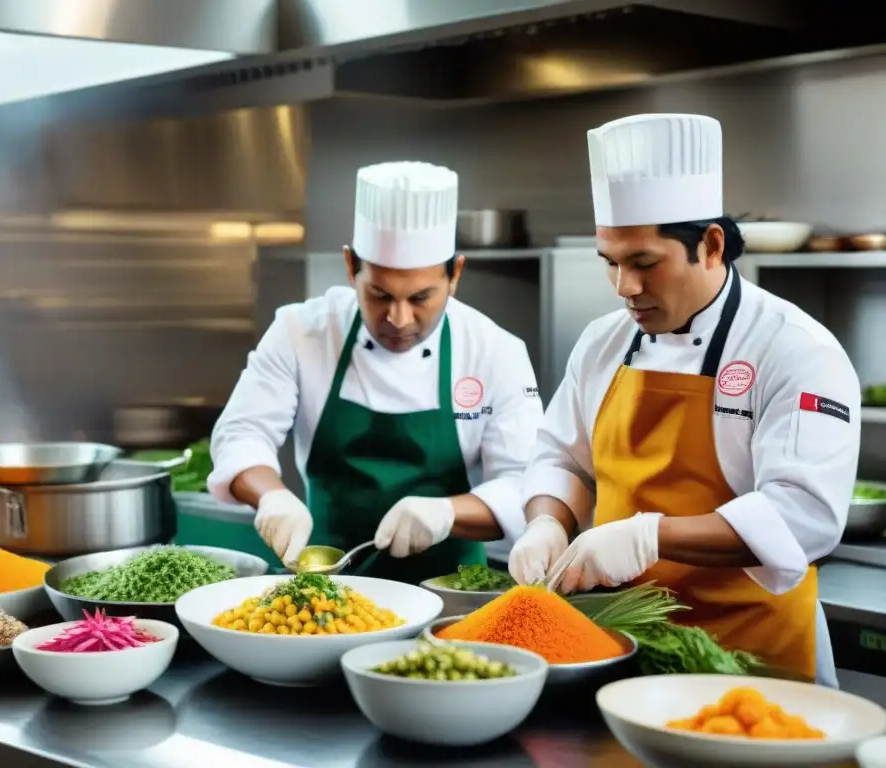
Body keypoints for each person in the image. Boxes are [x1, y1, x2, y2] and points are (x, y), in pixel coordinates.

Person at [509, 113, 860, 686]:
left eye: (645, 263)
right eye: (612, 264)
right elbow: (560, 459)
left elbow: (803, 517)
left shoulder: (795, 349)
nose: (625, 287)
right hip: (624, 649)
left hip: (752, 661)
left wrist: (647, 536)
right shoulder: (603, 342)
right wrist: (546, 523)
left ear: (712, 246)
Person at [207, 161, 543, 584]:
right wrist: (272, 497)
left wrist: (444, 514)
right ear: (350, 267)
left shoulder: (496, 352)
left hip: (454, 595)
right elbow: (241, 434)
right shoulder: (302, 332)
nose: (400, 319)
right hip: (328, 585)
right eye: (380, 295)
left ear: (455, 275)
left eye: (421, 297)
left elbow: (526, 484)